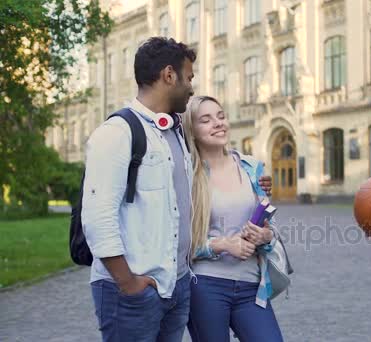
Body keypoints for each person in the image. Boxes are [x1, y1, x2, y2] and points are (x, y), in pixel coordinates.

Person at [82, 37, 272, 341]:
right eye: (189, 77)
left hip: (177, 286)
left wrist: (253, 179)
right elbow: (96, 218)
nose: (192, 87)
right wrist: (128, 283)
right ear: (169, 76)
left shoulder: (173, 133)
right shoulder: (117, 133)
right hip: (134, 291)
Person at [182, 96, 284, 342]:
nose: (218, 123)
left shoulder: (251, 169)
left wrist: (266, 236)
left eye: (221, 116)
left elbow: (270, 228)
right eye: (206, 120)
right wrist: (224, 244)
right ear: (191, 131)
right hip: (206, 286)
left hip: (251, 285)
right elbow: (178, 244)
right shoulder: (187, 176)